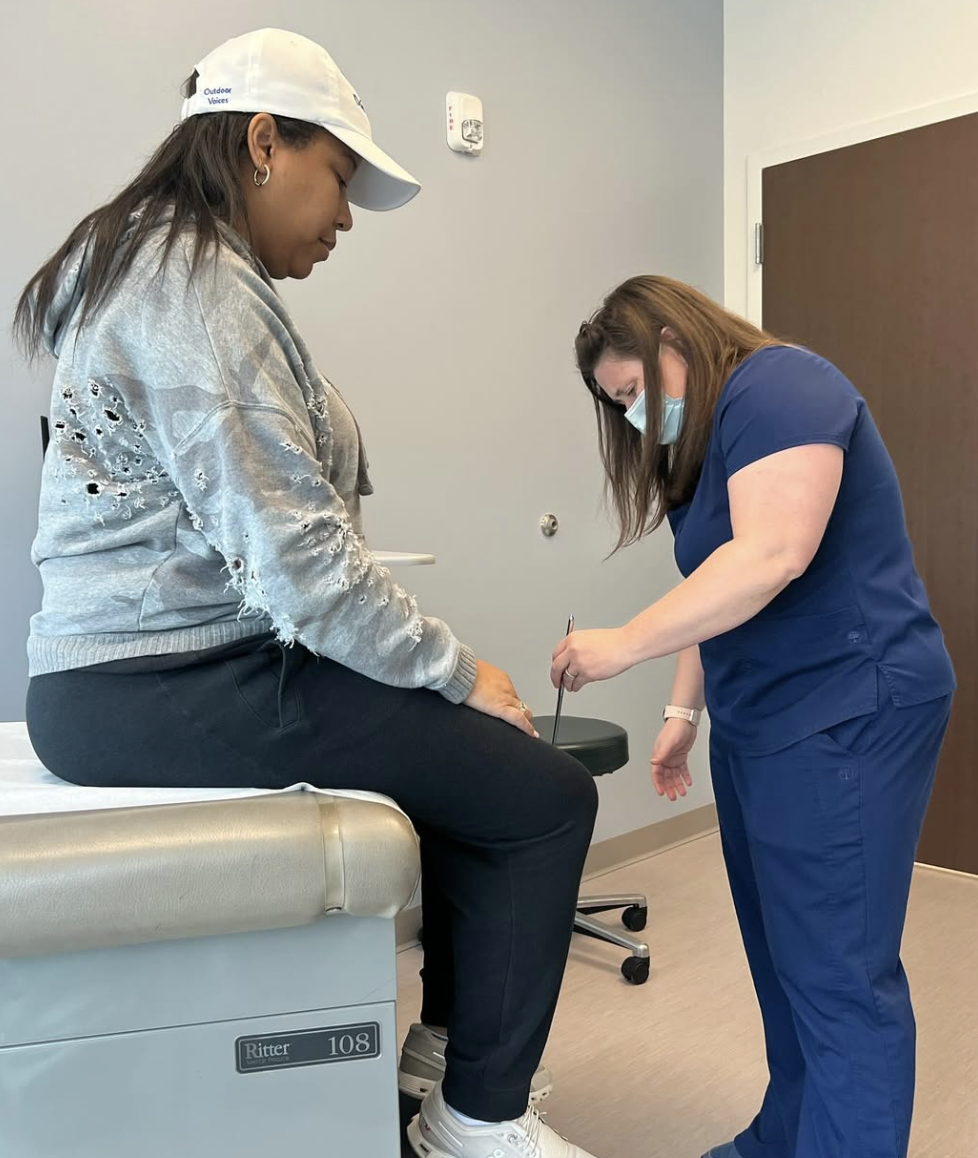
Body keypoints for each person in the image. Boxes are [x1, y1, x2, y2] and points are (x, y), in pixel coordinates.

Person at [16, 29, 600, 1158]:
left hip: (163, 672)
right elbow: (303, 569)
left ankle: (441, 1056)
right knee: (546, 801)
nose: (344, 219)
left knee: (474, 768)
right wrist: (456, 668)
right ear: (262, 143)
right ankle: (477, 1121)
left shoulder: (168, 268)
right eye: (338, 178)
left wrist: (431, 679)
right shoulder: (194, 290)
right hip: (163, 680)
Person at [551, 276, 955, 1158]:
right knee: (783, 959)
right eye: (616, 406)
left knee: (838, 973)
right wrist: (681, 712)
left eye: (633, 392)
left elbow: (772, 554)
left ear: (673, 341)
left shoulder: (783, 387)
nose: (632, 417)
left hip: (846, 706)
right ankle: (783, 1138)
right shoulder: (703, 444)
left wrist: (624, 645)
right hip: (764, 717)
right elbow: (718, 585)